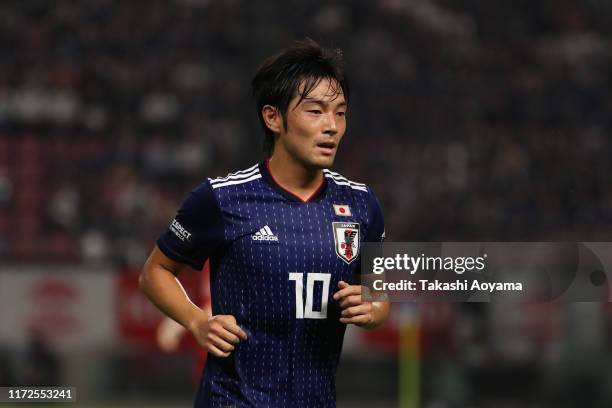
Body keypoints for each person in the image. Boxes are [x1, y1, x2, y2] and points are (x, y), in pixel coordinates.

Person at [139, 38, 389, 407]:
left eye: (340, 112)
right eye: (316, 111)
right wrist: (195, 321)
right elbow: (155, 272)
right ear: (273, 117)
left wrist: (373, 307)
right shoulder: (220, 199)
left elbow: (377, 291)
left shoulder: (361, 204)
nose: (332, 126)